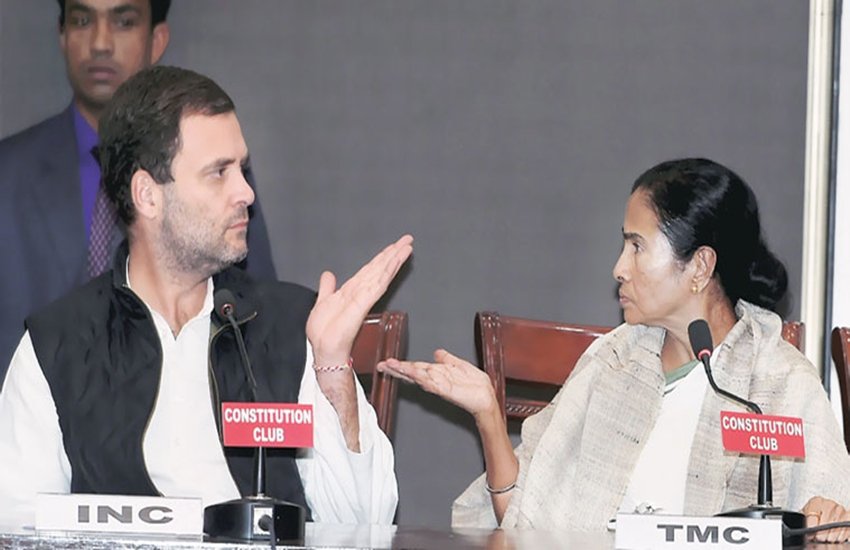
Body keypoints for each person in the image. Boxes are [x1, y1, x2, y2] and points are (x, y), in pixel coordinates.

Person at [0, 65, 411, 528]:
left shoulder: (294, 328)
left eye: (243, 169)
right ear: (147, 195)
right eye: (219, 173)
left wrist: (333, 371)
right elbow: (17, 526)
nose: (246, 192)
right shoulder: (58, 345)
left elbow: (365, 525)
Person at [379, 158, 850, 542]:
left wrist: (827, 519)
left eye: (637, 247)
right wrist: (488, 415)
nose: (619, 268)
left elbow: (829, 516)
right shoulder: (612, 362)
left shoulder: (780, 382)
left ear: (700, 266)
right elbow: (524, 525)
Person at [0, 0, 276, 386]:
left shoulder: (216, 174)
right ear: (62, 36)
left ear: (157, 39)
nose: (100, 43)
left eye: (123, 21)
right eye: (82, 20)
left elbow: (256, 321)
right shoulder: (8, 173)